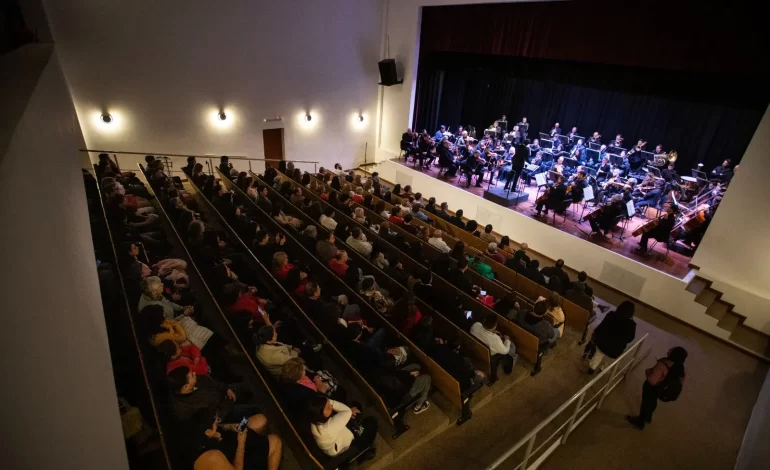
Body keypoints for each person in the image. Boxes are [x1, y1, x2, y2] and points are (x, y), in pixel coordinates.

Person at [189, 407, 282, 470]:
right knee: (275, 441)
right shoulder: (211, 456)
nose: (218, 421)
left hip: (234, 446)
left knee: (260, 419)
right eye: (216, 421)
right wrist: (241, 443)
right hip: (237, 460)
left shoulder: (204, 432)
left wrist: (229, 426)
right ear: (208, 432)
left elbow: (220, 428)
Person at [627, 346, 688, 430]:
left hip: (652, 389)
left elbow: (652, 381)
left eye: (671, 350)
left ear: (674, 354)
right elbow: (681, 380)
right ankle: (648, 418)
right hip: (662, 390)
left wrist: (648, 371)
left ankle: (640, 422)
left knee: (646, 404)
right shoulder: (681, 368)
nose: (669, 349)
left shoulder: (663, 364)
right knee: (652, 403)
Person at [308, 395, 379, 461]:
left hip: (334, 439)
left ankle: (357, 424)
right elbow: (347, 411)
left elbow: (345, 412)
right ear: (320, 414)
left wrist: (327, 403)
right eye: (327, 407)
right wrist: (348, 412)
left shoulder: (314, 419)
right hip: (341, 443)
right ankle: (364, 449)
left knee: (356, 406)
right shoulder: (329, 428)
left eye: (328, 404)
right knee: (372, 422)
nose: (331, 406)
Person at [588, 301, 637, 374]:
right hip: (615, 350)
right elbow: (630, 339)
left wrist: (595, 335)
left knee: (598, 355)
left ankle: (592, 368)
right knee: (607, 359)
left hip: (602, 343)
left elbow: (601, 327)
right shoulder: (631, 325)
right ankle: (602, 369)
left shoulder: (611, 315)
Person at [471, 314, 517, 380]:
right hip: (491, 355)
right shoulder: (495, 339)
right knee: (512, 346)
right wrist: (507, 340)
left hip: (478, 349)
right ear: (495, 326)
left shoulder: (476, 325)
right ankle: (508, 368)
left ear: (484, 321)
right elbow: (505, 351)